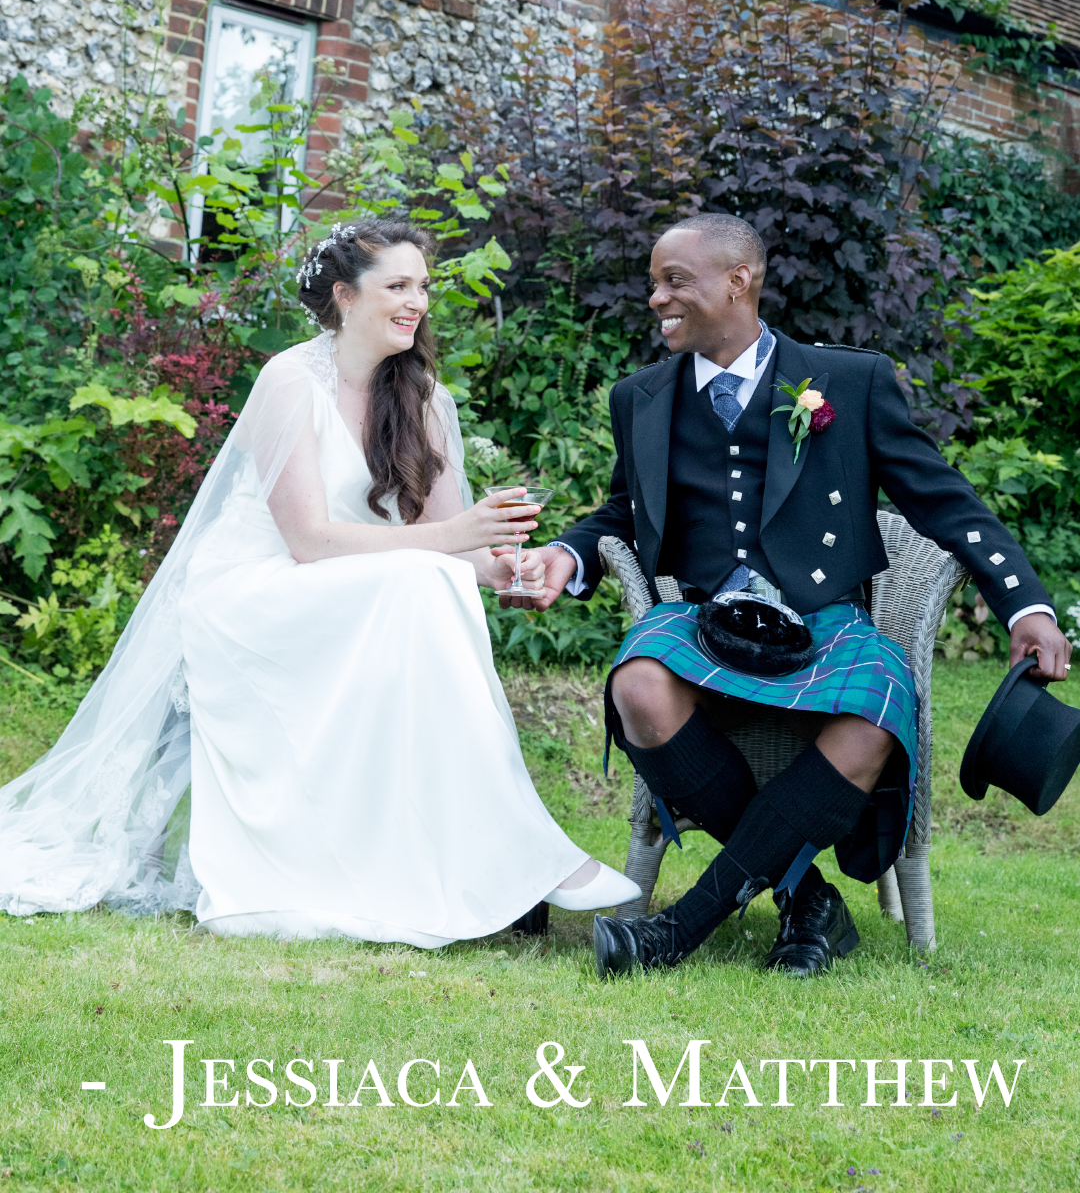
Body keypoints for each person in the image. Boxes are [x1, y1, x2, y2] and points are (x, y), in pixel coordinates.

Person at [0, 218, 638, 942]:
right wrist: (450, 545)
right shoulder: (290, 381)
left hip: (365, 586)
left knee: (437, 584)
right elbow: (305, 541)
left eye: (422, 287)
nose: (417, 302)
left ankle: (494, 856)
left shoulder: (422, 397)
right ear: (344, 295)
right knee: (420, 582)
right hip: (255, 589)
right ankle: (524, 853)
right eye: (397, 286)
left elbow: (453, 548)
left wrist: (505, 566)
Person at [530, 214, 1071, 979]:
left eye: (674, 281)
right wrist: (565, 554)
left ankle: (681, 926)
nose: (656, 298)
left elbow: (944, 500)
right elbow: (623, 509)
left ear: (737, 281)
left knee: (877, 704)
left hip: (825, 620)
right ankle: (807, 900)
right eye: (655, 283)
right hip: (706, 616)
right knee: (639, 684)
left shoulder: (849, 382)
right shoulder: (641, 397)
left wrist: (1026, 605)